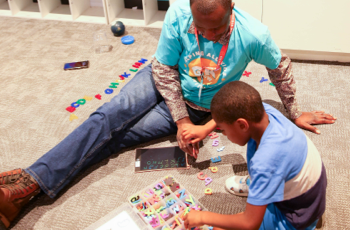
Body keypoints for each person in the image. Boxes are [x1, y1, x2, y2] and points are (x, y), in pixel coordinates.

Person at [0, 0, 335, 228]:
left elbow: (280, 68)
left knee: (116, 138)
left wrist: (294, 113)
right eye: (199, 29)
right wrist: (181, 120)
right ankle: (30, 182)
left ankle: (29, 185)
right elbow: (162, 70)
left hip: (208, 108)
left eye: (215, 31)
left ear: (232, 10)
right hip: (163, 84)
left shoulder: (255, 35)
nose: (204, 36)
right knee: (108, 116)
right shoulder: (177, 13)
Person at [183, 81, 327, 230]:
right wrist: (206, 128)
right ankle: (260, 186)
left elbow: (250, 223)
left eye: (224, 129)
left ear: (242, 125)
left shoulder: (265, 161)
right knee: (253, 142)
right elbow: (233, 110)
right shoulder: (264, 111)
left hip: (295, 218)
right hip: (308, 193)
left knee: (227, 226)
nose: (224, 134)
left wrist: (204, 217)